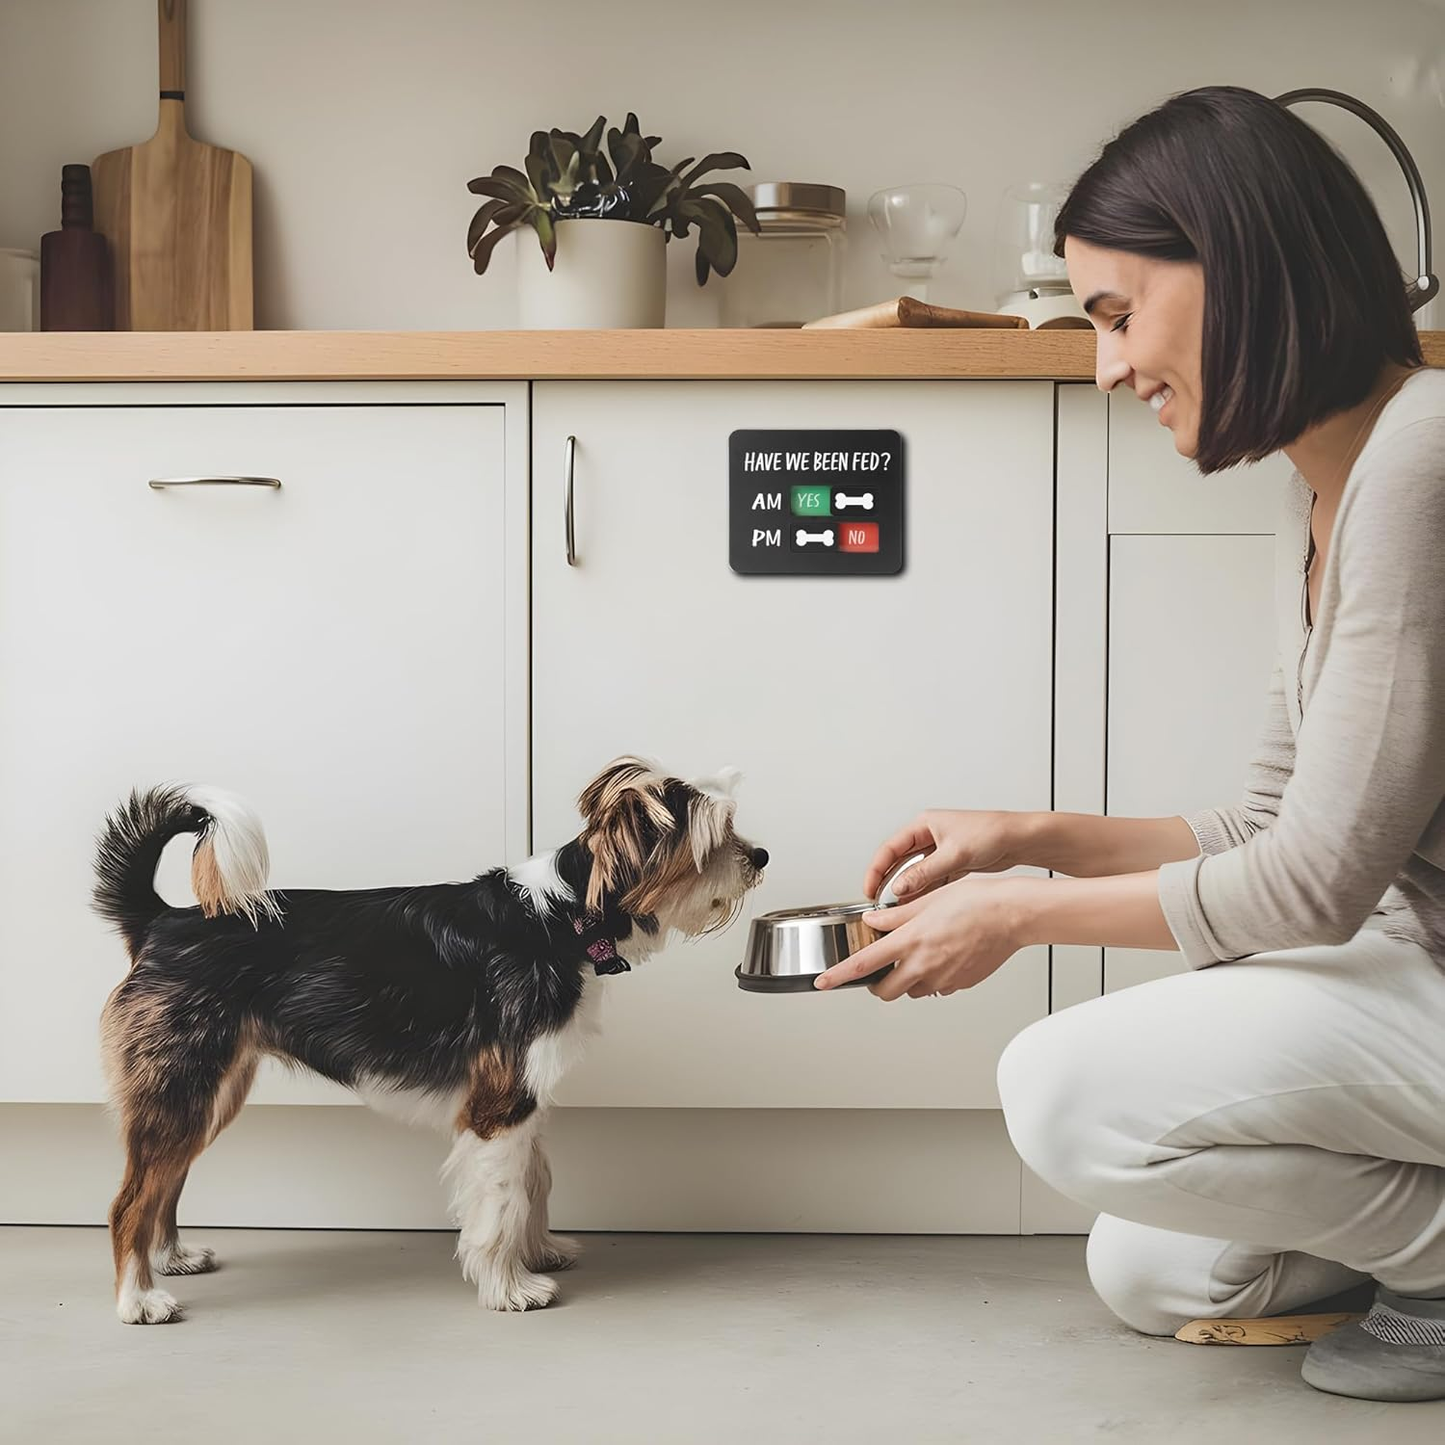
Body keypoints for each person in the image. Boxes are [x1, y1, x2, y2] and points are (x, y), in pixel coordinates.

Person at [815, 85, 1445, 1403]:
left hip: (1421, 972)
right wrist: (1028, 841)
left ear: (1245, 268)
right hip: (1411, 968)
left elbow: (1311, 890)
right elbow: (1273, 827)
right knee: (1153, 1267)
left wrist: (1016, 918)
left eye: (1115, 313)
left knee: (1061, 1086)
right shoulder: (1321, 486)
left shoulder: (1423, 465)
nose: (1104, 366)